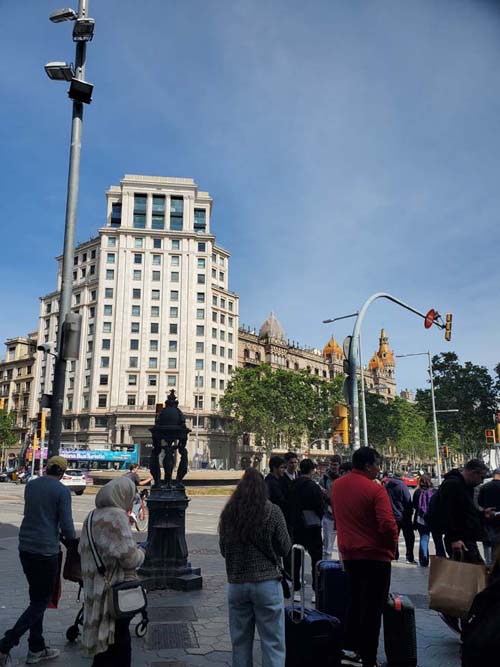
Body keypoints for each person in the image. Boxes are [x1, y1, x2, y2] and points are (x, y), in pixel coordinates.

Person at [0, 456, 75, 666]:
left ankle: (36, 647)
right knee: (41, 601)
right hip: (45, 551)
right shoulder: (62, 491)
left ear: (46, 468)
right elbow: (68, 527)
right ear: (62, 472)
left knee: (36, 600)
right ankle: (6, 643)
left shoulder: (31, 485)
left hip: (25, 547)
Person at [333, 447, 398, 667]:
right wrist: (391, 547)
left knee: (354, 602)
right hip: (375, 557)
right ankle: (369, 656)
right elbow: (388, 524)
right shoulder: (375, 490)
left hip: (350, 555)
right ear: (368, 465)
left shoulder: (337, 486)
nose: (379, 469)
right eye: (377, 464)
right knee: (372, 609)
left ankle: (349, 649)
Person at [219, 468, 291, 667]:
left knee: (240, 641)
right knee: (273, 641)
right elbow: (285, 548)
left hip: (237, 584)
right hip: (267, 583)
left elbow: (224, 550)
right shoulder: (273, 511)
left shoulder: (228, 513)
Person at [79, 477, 145, 666]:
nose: (132, 500)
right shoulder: (116, 516)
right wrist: (142, 552)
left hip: (94, 588)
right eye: (131, 496)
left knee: (106, 645)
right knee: (120, 643)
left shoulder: (91, 516)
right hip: (113, 590)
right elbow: (130, 558)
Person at [439, 459, 495, 563]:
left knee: (476, 572)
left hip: (466, 538)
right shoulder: (453, 485)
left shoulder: (465, 486)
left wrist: (482, 514)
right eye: (481, 477)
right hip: (460, 540)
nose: (482, 481)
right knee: (473, 572)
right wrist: (454, 539)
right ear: (473, 473)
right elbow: (448, 513)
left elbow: (466, 512)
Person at [289, 459, 324, 601]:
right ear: (311, 470)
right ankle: (316, 590)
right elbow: (319, 506)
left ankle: (296, 589)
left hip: (296, 526)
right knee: (316, 558)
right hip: (312, 526)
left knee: (296, 558)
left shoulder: (292, 485)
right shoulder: (313, 487)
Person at [385, 471, 415, 563]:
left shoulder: (388, 485)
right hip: (404, 515)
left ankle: (394, 555)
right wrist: (410, 512)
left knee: (394, 537)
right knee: (409, 537)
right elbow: (407, 500)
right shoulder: (402, 486)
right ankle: (409, 557)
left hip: (392, 514)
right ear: (402, 476)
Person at [319, 455, 341, 560]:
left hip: (342, 518)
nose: (333, 467)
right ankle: (325, 570)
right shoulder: (324, 478)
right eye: (331, 464)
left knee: (343, 548)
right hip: (329, 516)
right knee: (327, 548)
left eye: (335, 464)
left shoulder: (343, 477)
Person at [412, 475, 436, 567]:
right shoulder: (434, 491)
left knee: (424, 538)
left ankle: (424, 560)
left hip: (421, 518)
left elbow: (414, 506)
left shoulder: (417, 492)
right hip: (433, 519)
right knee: (437, 540)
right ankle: (440, 558)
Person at [478, 468, 500, 566]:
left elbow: (478, 504)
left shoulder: (484, 487)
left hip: (487, 520)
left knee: (487, 544)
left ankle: (488, 564)